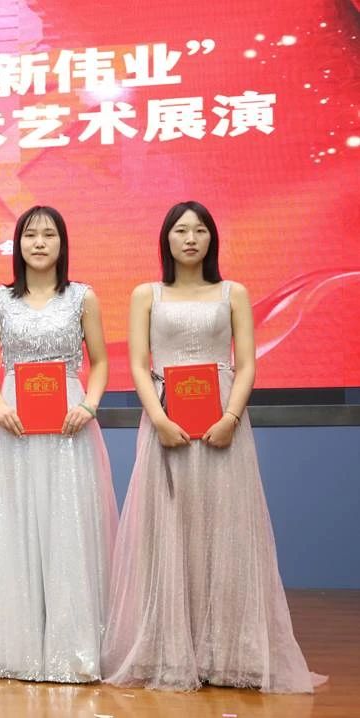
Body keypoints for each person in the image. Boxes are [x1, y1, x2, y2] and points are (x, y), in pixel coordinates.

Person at [101, 201, 321, 692]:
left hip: (224, 422)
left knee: (225, 528)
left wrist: (231, 418)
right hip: (165, 423)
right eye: (181, 230)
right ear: (166, 238)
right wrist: (159, 419)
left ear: (211, 239)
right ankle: (168, 651)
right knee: (169, 529)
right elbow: (138, 364)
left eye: (199, 230)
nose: (190, 238)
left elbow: (247, 364)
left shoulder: (233, 293)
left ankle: (227, 655)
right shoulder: (146, 294)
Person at [0, 205, 118, 683]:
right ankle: (19, 651)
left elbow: (100, 361)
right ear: (18, 244)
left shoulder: (82, 297)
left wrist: (89, 405)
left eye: (49, 235)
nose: (38, 243)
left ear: (62, 243)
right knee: (18, 530)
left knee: (68, 528)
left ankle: (73, 651)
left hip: (70, 425)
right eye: (30, 235)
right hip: (15, 426)